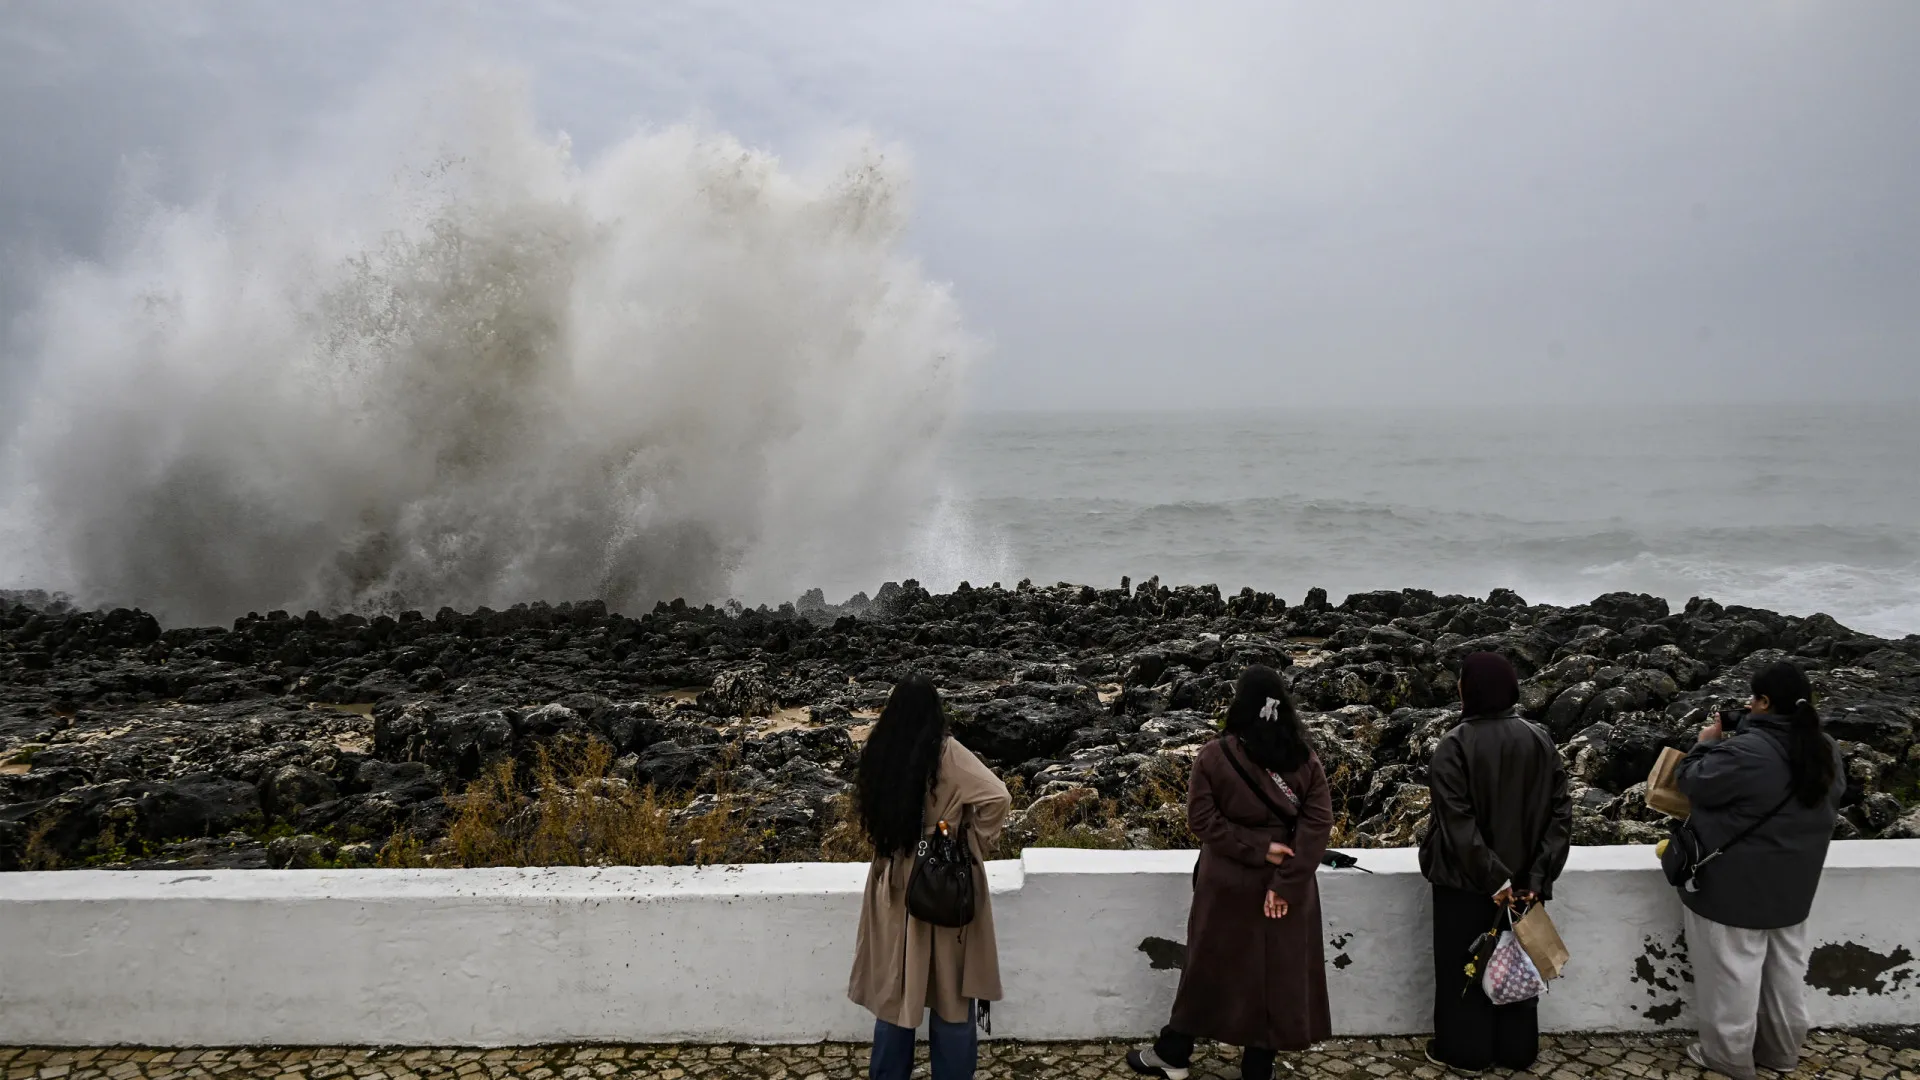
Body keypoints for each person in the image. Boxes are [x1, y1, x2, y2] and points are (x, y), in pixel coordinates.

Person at [1126, 665, 1334, 1080]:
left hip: (1225, 881)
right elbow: (1317, 826)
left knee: (1207, 968)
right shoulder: (1305, 759)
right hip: (1287, 885)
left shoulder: (1215, 754)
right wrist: (1284, 884)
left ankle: (1175, 1054)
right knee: (1274, 974)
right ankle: (1259, 1068)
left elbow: (1202, 820)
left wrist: (1256, 848)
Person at [1674, 660, 1844, 1080]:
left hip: (1736, 886)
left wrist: (1705, 743)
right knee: (1785, 974)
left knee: (1732, 973)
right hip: (1795, 885)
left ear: (1766, 702)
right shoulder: (1825, 751)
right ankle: (1782, 1053)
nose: (1748, 705)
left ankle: (1729, 1057)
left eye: (1753, 698)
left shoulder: (1745, 752)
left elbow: (1693, 782)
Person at [847, 672, 1012, 1080]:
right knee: (952, 995)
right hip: (939, 879)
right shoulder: (946, 753)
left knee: (894, 991)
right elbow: (998, 797)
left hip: (892, 879)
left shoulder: (880, 751)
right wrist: (970, 839)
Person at [1419, 651, 1573, 1075]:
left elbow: (1457, 823)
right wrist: (1538, 876)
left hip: (1467, 883)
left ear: (1470, 690)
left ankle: (1466, 1053)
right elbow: (1561, 814)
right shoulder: (1540, 738)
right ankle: (1517, 1049)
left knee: (1464, 966)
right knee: (1519, 962)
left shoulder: (1454, 744)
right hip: (1526, 883)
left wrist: (1494, 877)